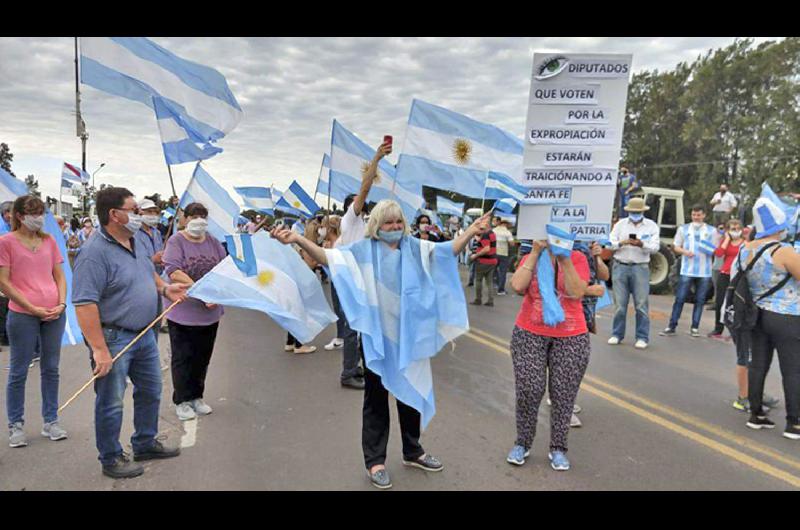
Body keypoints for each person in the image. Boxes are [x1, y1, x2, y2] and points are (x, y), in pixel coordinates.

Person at [271, 200, 490, 489]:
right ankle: (375, 460)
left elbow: (448, 250)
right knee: (376, 399)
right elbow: (327, 258)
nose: (395, 227)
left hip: (411, 336)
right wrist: (298, 238)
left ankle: (413, 451)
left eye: (398, 222)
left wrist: (472, 231)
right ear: (376, 225)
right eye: (388, 223)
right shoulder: (363, 250)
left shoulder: (414, 247)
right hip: (377, 338)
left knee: (410, 388)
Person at [73, 187, 186, 479]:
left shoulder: (137, 240)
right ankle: (110, 457)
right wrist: (98, 349)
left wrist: (164, 288)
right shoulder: (93, 253)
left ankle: (145, 442)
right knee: (110, 400)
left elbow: (148, 271)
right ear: (114, 214)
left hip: (145, 333)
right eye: (134, 210)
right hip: (114, 337)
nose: (139, 215)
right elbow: (85, 303)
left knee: (151, 390)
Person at [505, 236, 591, 471]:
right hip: (529, 331)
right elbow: (517, 285)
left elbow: (576, 291)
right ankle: (522, 443)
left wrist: (564, 259)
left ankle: (558, 448)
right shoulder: (530, 255)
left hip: (571, 335)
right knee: (528, 390)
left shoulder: (577, 258)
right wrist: (534, 253)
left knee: (563, 396)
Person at [0, 195, 68, 448]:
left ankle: (51, 420)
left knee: (51, 368)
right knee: (18, 371)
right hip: (23, 314)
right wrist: (32, 307)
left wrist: (61, 304)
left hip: (54, 313)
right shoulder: (5, 242)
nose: (38, 217)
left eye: (41, 212)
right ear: (19, 215)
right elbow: (4, 281)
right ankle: (15, 425)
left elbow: (59, 276)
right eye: (33, 212)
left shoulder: (49, 241)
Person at [731, 198, 800, 440]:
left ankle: (756, 414)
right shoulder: (783, 251)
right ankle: (794, 423)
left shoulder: (745, 249)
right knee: (793, 370)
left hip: (756, 315)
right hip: (787, 316)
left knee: (758, 365)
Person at [330, 141, 392, 390]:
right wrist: (376, 159)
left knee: (361, 326)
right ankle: (348, 374)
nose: (360, 203)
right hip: (347, 279)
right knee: (351, 327)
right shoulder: (350, 219)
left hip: (361, 279)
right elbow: (364, 189)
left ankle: (356, 367)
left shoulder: (365, 225)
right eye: (356, 201)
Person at [161, 202, 226, 421]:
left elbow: (223, 269)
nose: (198, 220)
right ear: (185, 218)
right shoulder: (176, 241)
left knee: (202, 357)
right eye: (194, 216)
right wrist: (201, 291)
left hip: (210, 313)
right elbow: (173, 270)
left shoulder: (213, 242)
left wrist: (215, 294)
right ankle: (182, 400)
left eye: (202, 216)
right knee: (183, 357)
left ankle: (197, 397)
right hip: (183, 312)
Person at [607, 198, 660, 348]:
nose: (635, 214)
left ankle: (642, 337)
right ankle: (617, 334)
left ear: (643, 211)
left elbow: (655, 247)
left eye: (638, 212)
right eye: (633, 212)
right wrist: (622, 243)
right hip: (620, 265)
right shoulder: (620, 225)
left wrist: (641, 244)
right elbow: (609, 244)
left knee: (641, 304)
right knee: (620, 304)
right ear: (628, 211)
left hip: (640, 267)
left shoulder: (651, 226)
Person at [661, 205, 720, 338]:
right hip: (687, 269)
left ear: (704, 215)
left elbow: (716, 249)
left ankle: (695, 327)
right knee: (680, 298)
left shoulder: (712, 231)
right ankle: (672, 325)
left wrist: (710, 250)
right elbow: (676, 246)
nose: (696, 217)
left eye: (698, 215)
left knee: (700, 300)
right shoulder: (684, 229)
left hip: (704, 271)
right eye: (694, 215)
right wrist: (685, 252)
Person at [470, 221, 498, 307]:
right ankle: (490, 300)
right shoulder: (492, 233)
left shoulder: (485, 235)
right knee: (489, 282)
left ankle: (478, 299)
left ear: (486, 225)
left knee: (478, 280)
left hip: (483, 261)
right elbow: (486, 243)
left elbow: (486, 248)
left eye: (481, 226)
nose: (480, 228)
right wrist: (477, 237)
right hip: (492, 260)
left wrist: (475, 255)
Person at [493, 218, 515, 295]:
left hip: (494, 253)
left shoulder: (494, 230)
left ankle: (495, 283)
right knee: (503, 272)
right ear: (505, 224)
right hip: (503, 254)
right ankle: (501, 290)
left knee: (493, 269)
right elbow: (512, 244)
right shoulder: (507, 232)